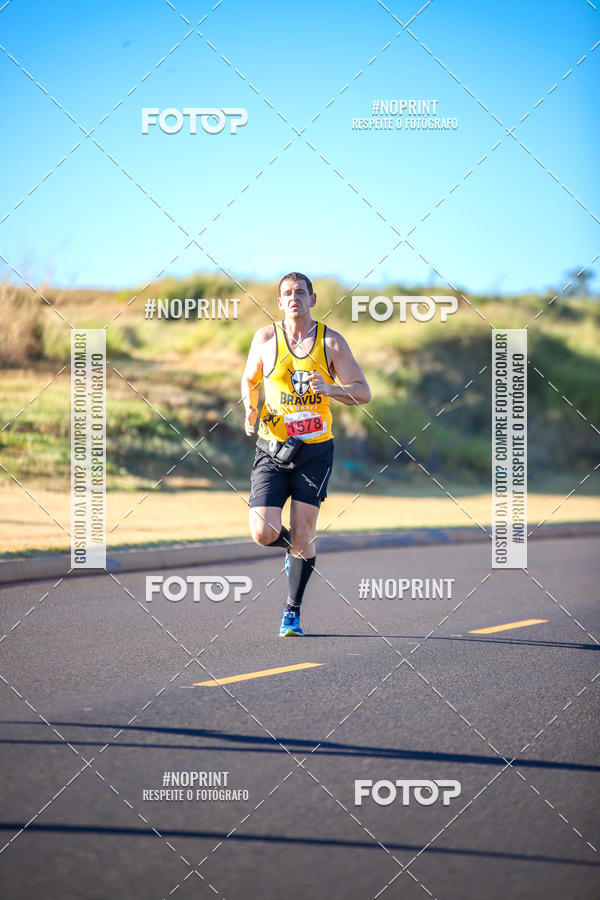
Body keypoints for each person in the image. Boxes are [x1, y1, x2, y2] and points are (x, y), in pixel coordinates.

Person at [241, 272, 371, 636]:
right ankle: (295, 549)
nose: (294, 297)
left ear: (313, 299)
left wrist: (330, 388)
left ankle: (291, 612)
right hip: (272, 446)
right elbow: (249, 379)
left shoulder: (331, 343)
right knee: (262, 531)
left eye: (301, 291)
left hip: (314, 451)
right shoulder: (265, 338)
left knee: (304, 532)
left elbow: (363, 392)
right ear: (279, 302)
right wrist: (250, 408)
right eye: (287, 293)